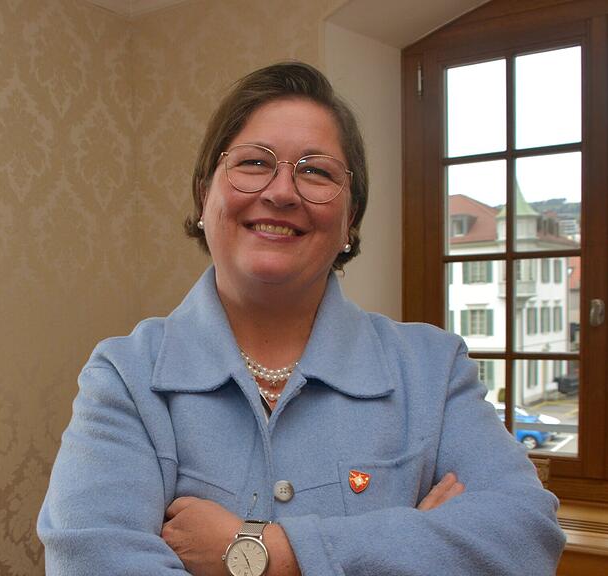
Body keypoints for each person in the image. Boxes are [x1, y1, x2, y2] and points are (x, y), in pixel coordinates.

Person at [37, 61, 565, 575]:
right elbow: (89, 560)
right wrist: (409, 542)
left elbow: (522, 537)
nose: (281, 192)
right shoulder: (126, 377)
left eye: (316, 171)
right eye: (253, 163)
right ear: (204, 194)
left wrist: (266, 553)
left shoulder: (434, 368)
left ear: (350, 220)